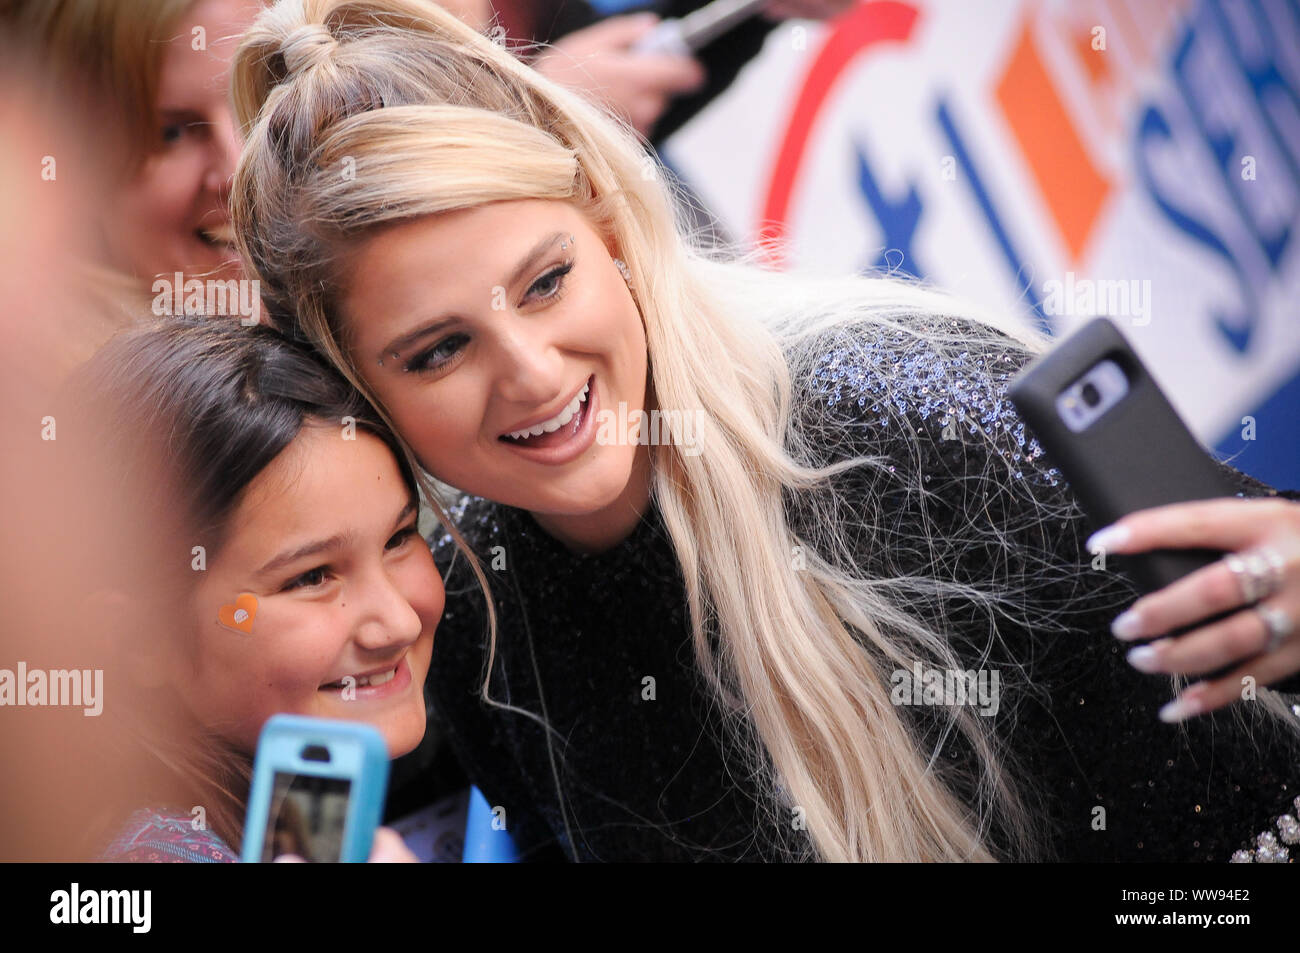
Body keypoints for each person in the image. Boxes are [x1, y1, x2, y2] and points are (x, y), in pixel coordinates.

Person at [228, 0, 1300, 862]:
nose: (531, 373)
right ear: (356, 390)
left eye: (546, 282)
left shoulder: (907, 426)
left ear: (610, 224)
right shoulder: (466, 621)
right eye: (436, 350)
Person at [60, 318, 438, 861]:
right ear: (138, 642)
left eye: (399, 538)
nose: (399, 622)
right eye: (311, 577)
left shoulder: (301, 813)